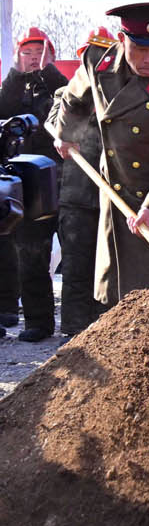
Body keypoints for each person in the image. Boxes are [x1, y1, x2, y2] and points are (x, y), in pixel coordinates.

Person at [48, 3, 149, 307]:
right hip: (117, 199)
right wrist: (67, 134)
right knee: (117, 301)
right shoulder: (98, 61)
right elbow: (73, 99)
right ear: (122, 40)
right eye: (140, 49)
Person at [0, 27, 67, 340]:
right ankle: (38, 322)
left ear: (52, 57)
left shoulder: (60, 85)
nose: (33, 59)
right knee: (30, 252)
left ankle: (77, 320)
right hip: (27, 184)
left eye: (40, 53)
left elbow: (69, 101)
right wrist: (16, 75)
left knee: (76, 252)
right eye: (26, 53)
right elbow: (3, 109)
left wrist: (48, 73)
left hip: (65, 179)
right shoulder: (13, 89)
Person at [54, 29, 113, 337]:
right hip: (77, 197)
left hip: (111, 198)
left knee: (107, 269)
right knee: (76, 268)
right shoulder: (66, 96)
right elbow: (55, 125)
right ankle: (74, 332)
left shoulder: (119, 101)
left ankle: (104, 331)